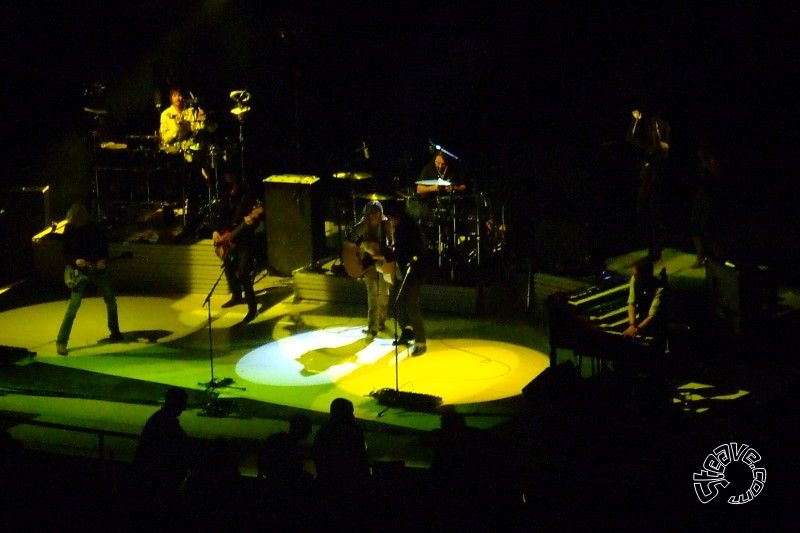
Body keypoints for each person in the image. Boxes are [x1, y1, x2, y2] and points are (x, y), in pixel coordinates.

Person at [56, 202, 122, 355]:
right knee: (73, 307)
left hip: (96, 270)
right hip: (79, 272)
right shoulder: (70, 229)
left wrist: (102, 261)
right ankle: (61, 341)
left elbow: (104, 248)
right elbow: (65, 254)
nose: (76, 224)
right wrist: (75, 261)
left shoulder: (95, 228)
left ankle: (115, 331)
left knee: (111, 300)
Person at [212, 167, 263, 324]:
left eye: (230, 176)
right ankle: (236, 296)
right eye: (226, 176)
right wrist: (215, 231)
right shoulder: (225, 194)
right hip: (229, 238)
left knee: (243, 272)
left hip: (244, 239)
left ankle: (252, 309)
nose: (228, 179)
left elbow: (259, 213)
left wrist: (251, 221)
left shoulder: (246, 195)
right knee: (228, 267)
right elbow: (218, 215)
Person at [131, 387, 190, 519]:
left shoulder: (160, 419)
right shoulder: (166, 423)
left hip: (154, 479)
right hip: (159, 481)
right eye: (183, 403)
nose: (184, 407)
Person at [343, 201, 394, 340]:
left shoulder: (386, 224)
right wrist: (362, 247)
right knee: (372, 294)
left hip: (383, 261)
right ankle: (372, 327)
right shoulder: (362, 225)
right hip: (368, 263)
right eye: (370, 212)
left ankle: (381, 322)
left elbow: (391, 242)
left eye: (376, 212)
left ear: (380, 212)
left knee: (384, 293)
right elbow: (349, 239)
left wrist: (383, 252)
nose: (373, 215)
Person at [626, 108, 670, 261]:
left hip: (655, 187)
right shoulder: (648, 146)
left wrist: (655, 127)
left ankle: (655, 249)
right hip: (644, 186)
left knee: (653, 217)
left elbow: (658, 144)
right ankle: (652, 246)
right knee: (641, 213)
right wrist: (635, 120)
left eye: (655, 129)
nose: (651, 131)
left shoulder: (663, 146)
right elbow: (630, 138)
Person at [386, 202, 429, 356]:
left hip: (412, 273)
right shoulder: (399, 229)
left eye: (392, 218)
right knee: (396, 304)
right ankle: (407, 332)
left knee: (412, 306)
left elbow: (412, 250)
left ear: (398, 216)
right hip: (400, 271)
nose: (390, 221)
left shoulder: (409, 229)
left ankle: (421, 342)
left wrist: (391, 254)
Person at [690, 140, 725, 267]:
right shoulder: (702, 164)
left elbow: (718, 176)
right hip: (701, 195)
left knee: (708, 229)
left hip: (711, 197)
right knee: (694, 225)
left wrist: (708, 164)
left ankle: (719, 256)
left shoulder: (711, 161)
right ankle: (700, 257)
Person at [622, 257, 665, 341]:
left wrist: (636, 329)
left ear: (645, 276)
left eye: (636, 274)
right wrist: (632, 325)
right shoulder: (634, 279)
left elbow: (652, 315)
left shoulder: (659, 288)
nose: (634, 276)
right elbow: (631, 302)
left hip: (656, 323)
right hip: (642, 318)